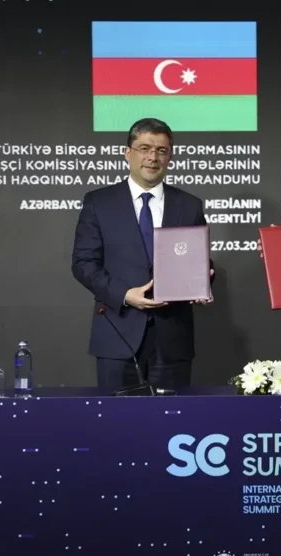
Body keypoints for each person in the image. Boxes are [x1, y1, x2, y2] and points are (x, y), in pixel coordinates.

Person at [71, 118, 214, 390]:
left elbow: (199, 259)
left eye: (161, 150)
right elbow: (83, 263)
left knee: (172, 417)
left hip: (172, 339)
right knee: (117, 417)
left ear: (170, 157)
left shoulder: (189, 205)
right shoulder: (99, 202)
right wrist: (125, 294)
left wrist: (205, 278)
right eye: (144, 148)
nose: (152, 157)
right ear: (127, 153)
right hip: (117, 332)